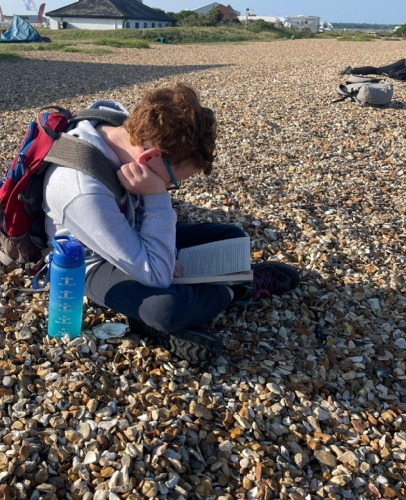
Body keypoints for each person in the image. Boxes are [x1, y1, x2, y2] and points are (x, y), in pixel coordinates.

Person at [43, 83, 299, 367]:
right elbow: (156, 275)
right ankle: (235, 289)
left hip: (130, 230)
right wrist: (156, 195)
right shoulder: (83, 191)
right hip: (89, 263)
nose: (170, 188)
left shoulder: (122, 128)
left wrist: (163, 250)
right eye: (172, 183)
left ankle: (189, 309)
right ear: (149, 158)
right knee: (165, 308)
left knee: (231, 237)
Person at [340, 58, 406, 80]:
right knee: (377, 71)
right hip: (401, 66)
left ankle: (352, 70)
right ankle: (351, 71)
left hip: (402, 64)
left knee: (377, 70)